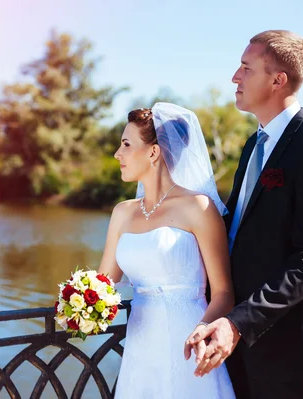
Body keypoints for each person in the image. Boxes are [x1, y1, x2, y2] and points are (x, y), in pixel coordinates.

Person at [187, 30, 303, 399]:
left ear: (277, 80)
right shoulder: (254, 145)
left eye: (245, 68)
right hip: (259, 351)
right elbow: (238, 233)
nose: (234, 77)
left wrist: (237, 324)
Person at [98, 102, 236, 398]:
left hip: (188, 340)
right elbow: (103, 284)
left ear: (153, 152)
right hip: (140, 345)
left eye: (125, 144)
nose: (117, 154)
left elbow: (224, 292)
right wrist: (77, 300)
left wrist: (202, 331)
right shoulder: (122, 213)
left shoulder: (198, 207)